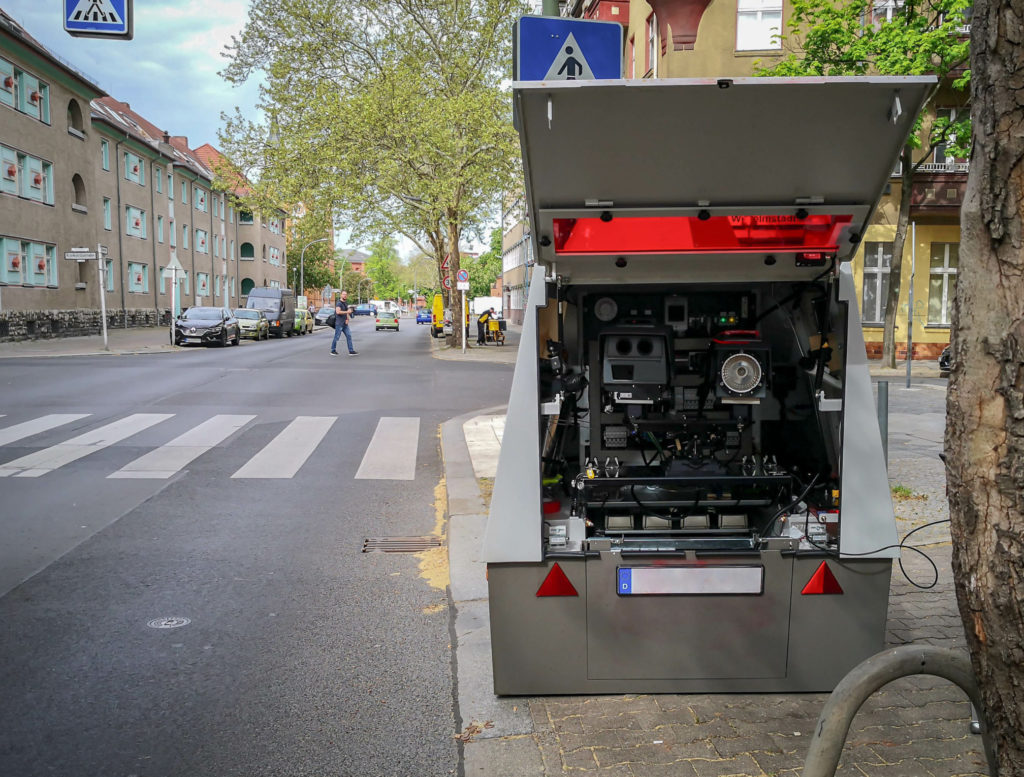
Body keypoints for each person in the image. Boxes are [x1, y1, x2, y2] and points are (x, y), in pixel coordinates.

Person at [330, 290, 358, 356]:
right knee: (337, 337)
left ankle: (351, 350)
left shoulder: (346, 303)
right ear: (341, 295)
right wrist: (347, 312)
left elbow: (347, 312)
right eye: (343, 294)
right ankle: (333, 350)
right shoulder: (338, 303)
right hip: (339, 323)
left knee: (349, 336)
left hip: (345, 324)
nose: (345, 295)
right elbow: (338, 312)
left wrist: (347, 319)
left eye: (346, 294)